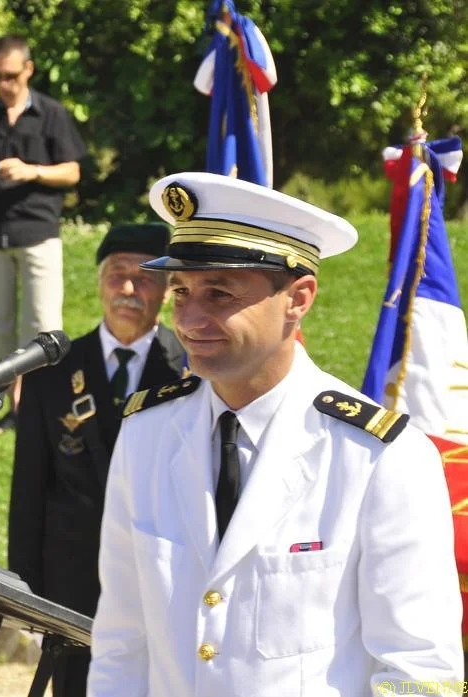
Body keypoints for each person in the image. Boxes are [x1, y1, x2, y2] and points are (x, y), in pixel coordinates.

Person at [88, 172, 463, 696]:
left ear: (299, 297)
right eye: (180, 292)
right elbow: (121, 643)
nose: (190, 318)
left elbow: (420, 669)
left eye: (219, 293)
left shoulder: (379, 455)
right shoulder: (146, 433)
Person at [8, 224, 185, 696]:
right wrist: (27, 592)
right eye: (117, 275)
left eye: (145, 277)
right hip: (73, 584)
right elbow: (29, 487)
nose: (129, 288)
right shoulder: (52, 371)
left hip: (163, 583)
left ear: (168, 291)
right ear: (100, 282)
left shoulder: (190, 370)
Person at [0, 34, 87, 432]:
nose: (2, 84)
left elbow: (73, 171)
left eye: (9, 75)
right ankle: (2, 406)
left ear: (28, 69)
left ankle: (39, 408)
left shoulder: (51, 113)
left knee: (43, 325)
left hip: (38, 231)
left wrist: (32, 171)